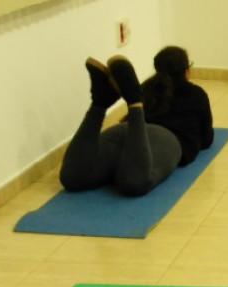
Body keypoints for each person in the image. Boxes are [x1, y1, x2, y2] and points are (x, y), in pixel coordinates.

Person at [60, 46, 213, 197]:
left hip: (124, 130)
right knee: (133, 183)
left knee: (72, 177)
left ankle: (99, 104)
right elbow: (206, 139)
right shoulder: (196, 93)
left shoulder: (146, 87)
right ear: (186, 70)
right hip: (161, 139)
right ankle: (134, 103)